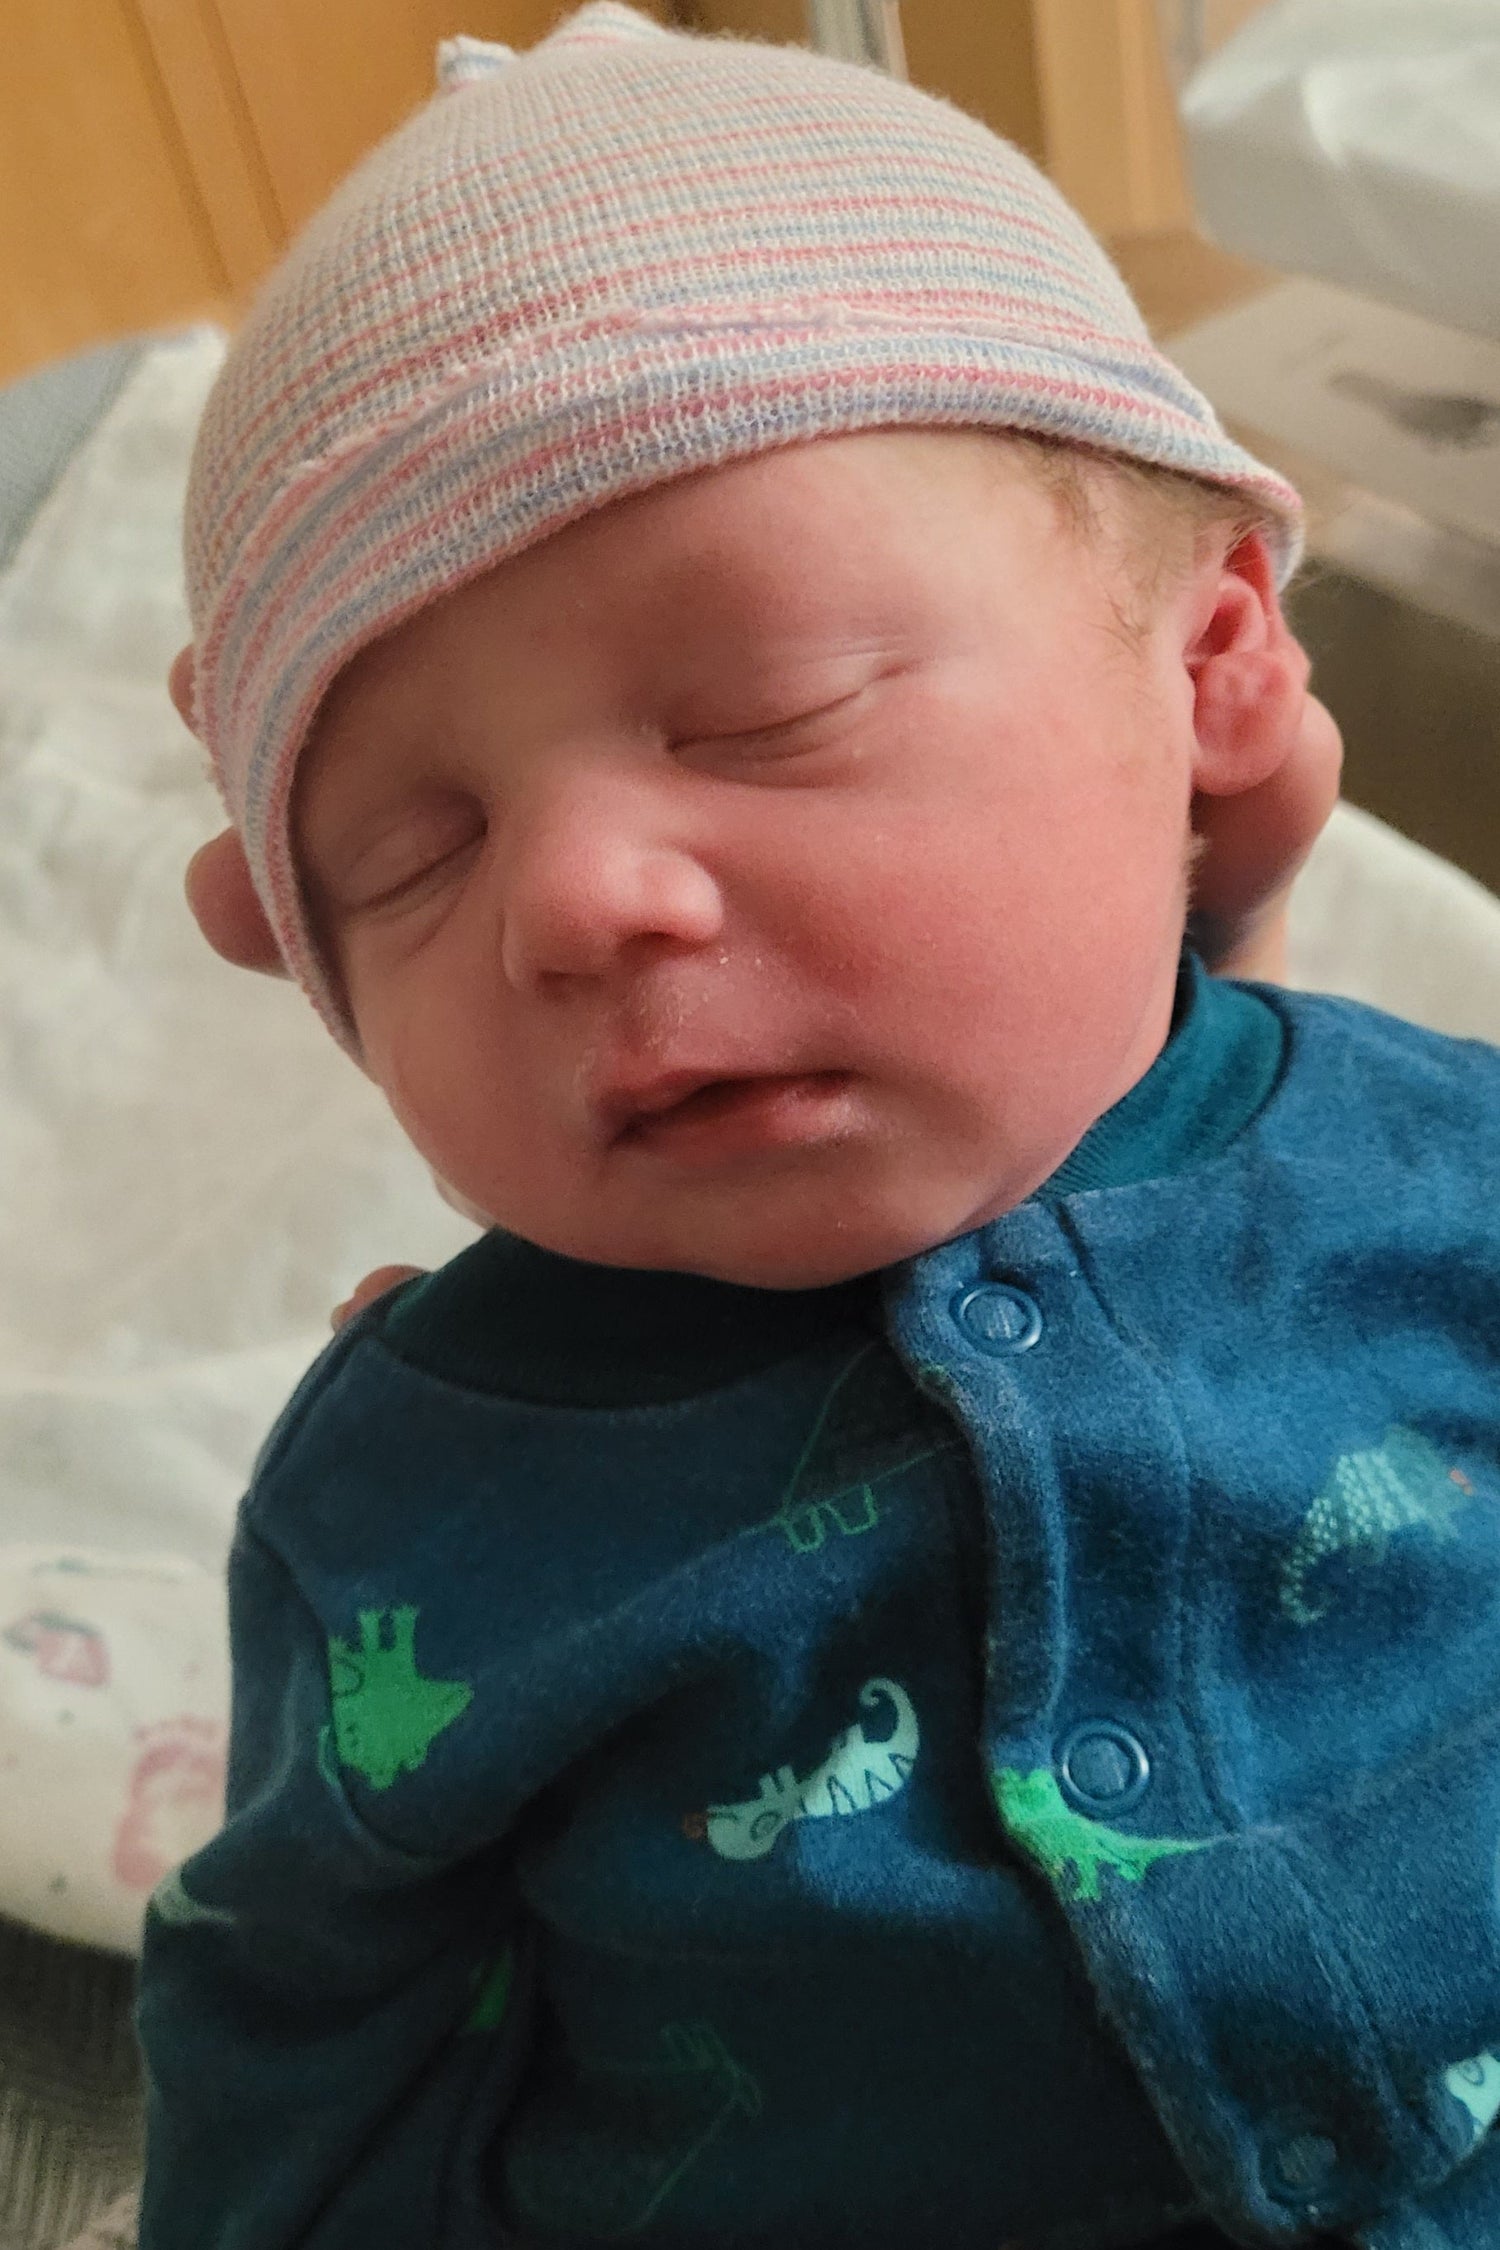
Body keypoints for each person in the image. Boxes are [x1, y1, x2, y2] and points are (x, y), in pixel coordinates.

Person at [135, 8, 1500, 2248]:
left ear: (1210, 672)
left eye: (765, 710)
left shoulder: (1440, 1175)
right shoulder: (417, 1503)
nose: (570, 903)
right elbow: (302, 2037)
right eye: (406, 854)